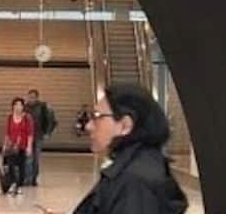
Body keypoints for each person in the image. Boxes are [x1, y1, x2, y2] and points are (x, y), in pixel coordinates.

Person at [59, 84, 187, 214]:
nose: (88, 126)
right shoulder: (138, 165)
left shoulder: (134, 182)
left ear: (125, 125)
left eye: (97, 116)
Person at [23, 89, 57, 186]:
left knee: (36, 158)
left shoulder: (43, 107)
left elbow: (51, 120)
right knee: (28, 158)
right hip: (27, 136)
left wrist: (47, 132)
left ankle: (33, 178)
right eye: (30, 97)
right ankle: (27, 178)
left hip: (38, 136)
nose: (31, 99)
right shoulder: (24, 107)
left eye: (33, 97)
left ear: (37, 98)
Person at [3, 98, 36, 195]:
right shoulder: (9, 118)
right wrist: (5, 145)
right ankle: (13, 183)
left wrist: (29, 146)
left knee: (22, 166)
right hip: (11, 146)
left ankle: (19, 185)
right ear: (13, 106)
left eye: (20, 105)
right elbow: (7, 133)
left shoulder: (27, 118)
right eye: (16, 105)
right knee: (11, 165)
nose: (18, 107)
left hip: (22, 146)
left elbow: (30, 133)